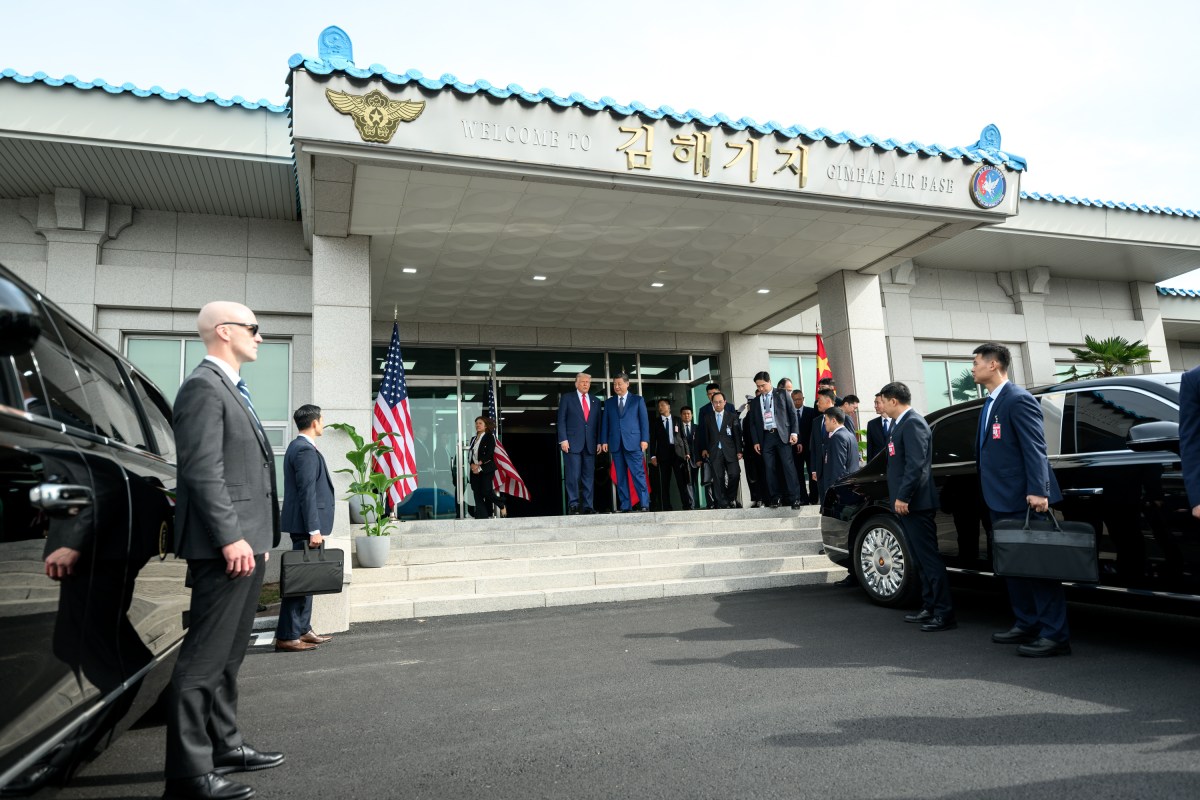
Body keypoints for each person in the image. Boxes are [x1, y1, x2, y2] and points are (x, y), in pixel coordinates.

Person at [165, 301, 283, 800]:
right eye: (253, 329)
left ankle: (225, 745)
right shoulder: (202, 387)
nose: (260, 337)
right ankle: (189, 774)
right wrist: (230, 535)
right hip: (227, 545)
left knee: (230, 654)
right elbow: (202, 470)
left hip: (249, 541)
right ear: (224, 331)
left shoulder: (231, 389)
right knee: (203, 659)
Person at [972, 342, 1068, 657]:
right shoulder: (989, 403)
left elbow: (1035, 447)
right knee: (1013, 565)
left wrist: (1039, 490)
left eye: (976, 362)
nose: (972, 368)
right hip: (998, 499)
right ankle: (1026, 622)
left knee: (1038, 566)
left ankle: (1055, 635)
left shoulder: (1018, 399)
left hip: (1024, 499)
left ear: (994, 364)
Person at [879, 382, 955, 632]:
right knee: (919, 560)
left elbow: (916, 465)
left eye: (883, 401)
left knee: (929, 558)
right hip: (906, 504)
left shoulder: (913, 422)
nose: (881, 407)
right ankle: (929, 606)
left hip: (915, 503)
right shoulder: (899, 425)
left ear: (893, 400)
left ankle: (944, 613)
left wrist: (904, 496)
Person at [274, 404, 335, 653]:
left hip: (304, 524)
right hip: (305, 526)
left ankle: (302, 629)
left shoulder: (298, 447)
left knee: (306, 579)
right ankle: (288, 635)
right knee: (299, 581)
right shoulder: (304, 451)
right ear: (314, 423)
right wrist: (314, 529)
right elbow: (307, 492)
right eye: (321, 420)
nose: (322, 424)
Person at [747, 371, 804, 509]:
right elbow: (753, 423)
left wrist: (794, 433)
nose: (760, 389)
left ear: (769, 381)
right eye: (758, 386)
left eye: (763, 385)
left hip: (782, 435)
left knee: (788, 467)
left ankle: (795, 498)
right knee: (769, 468)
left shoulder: (782, 394)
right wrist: (756, 441)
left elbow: (792, 414)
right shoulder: (755, 402)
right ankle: (775, 497)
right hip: (766, 437)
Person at [601, 373, 650, 512]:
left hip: (634, 443)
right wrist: (604, 440)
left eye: (619, 384)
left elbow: (644, 422)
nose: (616, 387)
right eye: (614, 384)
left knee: (638, 475)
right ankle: (625, 506)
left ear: (627, 384)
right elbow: (605, 423)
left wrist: (644, 439)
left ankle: (644, 504)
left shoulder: (637, 400)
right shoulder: (609, 402)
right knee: (621, 476)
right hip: (616, 444)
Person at [557, 372, 601, 515]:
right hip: (572, 444)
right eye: (582, 382)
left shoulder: (595, 400)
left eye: (588, 382)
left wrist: (600, 441)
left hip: (590, 444)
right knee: (573, 476)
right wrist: (563, 439)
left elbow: (598, 424)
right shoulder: (567, 398)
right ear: (576, 383)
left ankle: (588, 506)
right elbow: (561, 420)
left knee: (588, 477)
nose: (585, 384)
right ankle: (574, 504)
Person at [699, 391, 743, 508]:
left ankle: (731, 497)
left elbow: (737, 435)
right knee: (718, 478)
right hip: (714, 451)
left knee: (735, 474)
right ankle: (723, 502)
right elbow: (704, 435)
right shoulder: (707, 417)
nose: (717, 404)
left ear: (724, 402)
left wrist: (739, 450)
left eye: (720, 402)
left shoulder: (732, 416)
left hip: (730, 451)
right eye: (715, 402)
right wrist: (704, 449)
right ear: (712, 403)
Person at [648, 398, 687, 511]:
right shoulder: (655, 422)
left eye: (663, 405)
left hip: (677, 454)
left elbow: (683, 437)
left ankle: (686, 505)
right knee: (664, 482)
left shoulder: (677, 420)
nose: (660, 407)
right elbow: (652, 439)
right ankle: (666, 506)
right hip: (663, 455)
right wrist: (652, 456)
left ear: (669, 407)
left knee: (681, 481)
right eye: (659, 406)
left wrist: (686, 452)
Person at [468, 416, 507, 519]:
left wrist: (479, 464)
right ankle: (482, 516)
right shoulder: (473, 439)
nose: (477, 425)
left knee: (486, 490)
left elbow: (489, 454)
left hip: (486, 468)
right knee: (477, 493)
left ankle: (501, 504)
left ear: (485, 425)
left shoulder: (489, 436)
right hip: (474, 470)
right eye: (476, 423)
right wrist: (471, 464)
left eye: (480, 423)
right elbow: (470, 455)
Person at [808, 388, 837, 505]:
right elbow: (814, 447)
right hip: (820, 470)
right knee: (825, 502)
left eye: (819, 400)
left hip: (836, 469)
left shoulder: (842, 418)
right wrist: (814, 469)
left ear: (828, 400)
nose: (817, 403)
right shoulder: (816, 421)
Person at [791, 389, 817, 505]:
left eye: (800, 399)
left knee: (813, 472)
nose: (798, 401)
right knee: (798, 474)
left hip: (810, 448)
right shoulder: (789, 413)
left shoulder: (811, 412)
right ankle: (803, 497)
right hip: (795, 448)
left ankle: (814, 497)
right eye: (795, 399)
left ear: (803, 399)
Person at [678, 406, 699, 510]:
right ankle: (688, 505)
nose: (686, 415)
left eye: (688, 414)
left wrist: (699, 459)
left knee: (693, 482)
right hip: (682, 460)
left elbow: (701, 444)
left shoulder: (697, 427)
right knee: (685, 483)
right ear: (681, 415)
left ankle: (693, 504)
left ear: (692, 415)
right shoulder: (678, 428)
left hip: (695, 460)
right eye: (684, 414)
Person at [865, 393, 889, 462]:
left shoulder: (897, 422)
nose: (875, 406)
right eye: (875, 403)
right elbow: (870, 448)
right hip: (878, 466)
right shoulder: (871, 424)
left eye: (877, 403)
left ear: (885, 403)